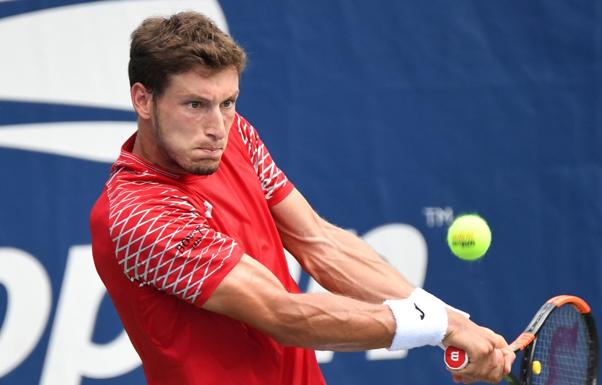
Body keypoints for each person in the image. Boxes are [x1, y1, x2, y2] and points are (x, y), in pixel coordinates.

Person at [90, 11, 514, 385]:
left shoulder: (235, 136)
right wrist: (438, 327)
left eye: (228, 102)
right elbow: (283, 315)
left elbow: (320, 244)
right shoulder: (138, 213)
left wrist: (450, 320)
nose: (217, 126)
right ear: (143, 100)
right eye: (195, 104)